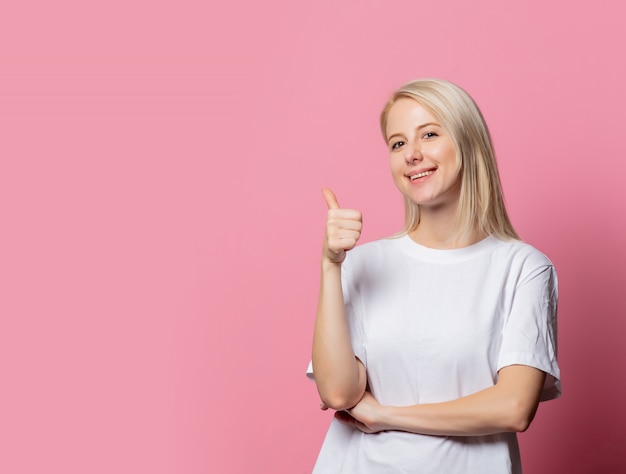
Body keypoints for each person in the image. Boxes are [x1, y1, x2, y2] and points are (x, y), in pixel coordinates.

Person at [307, 78, 560, 473]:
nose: (412, 154)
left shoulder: (523, 269)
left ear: (467, 140)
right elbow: (339, 391)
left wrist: (386, 415)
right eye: (398, 143)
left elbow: (513, 408)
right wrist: (329, 264)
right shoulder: (362, 263)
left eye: (428, 134)